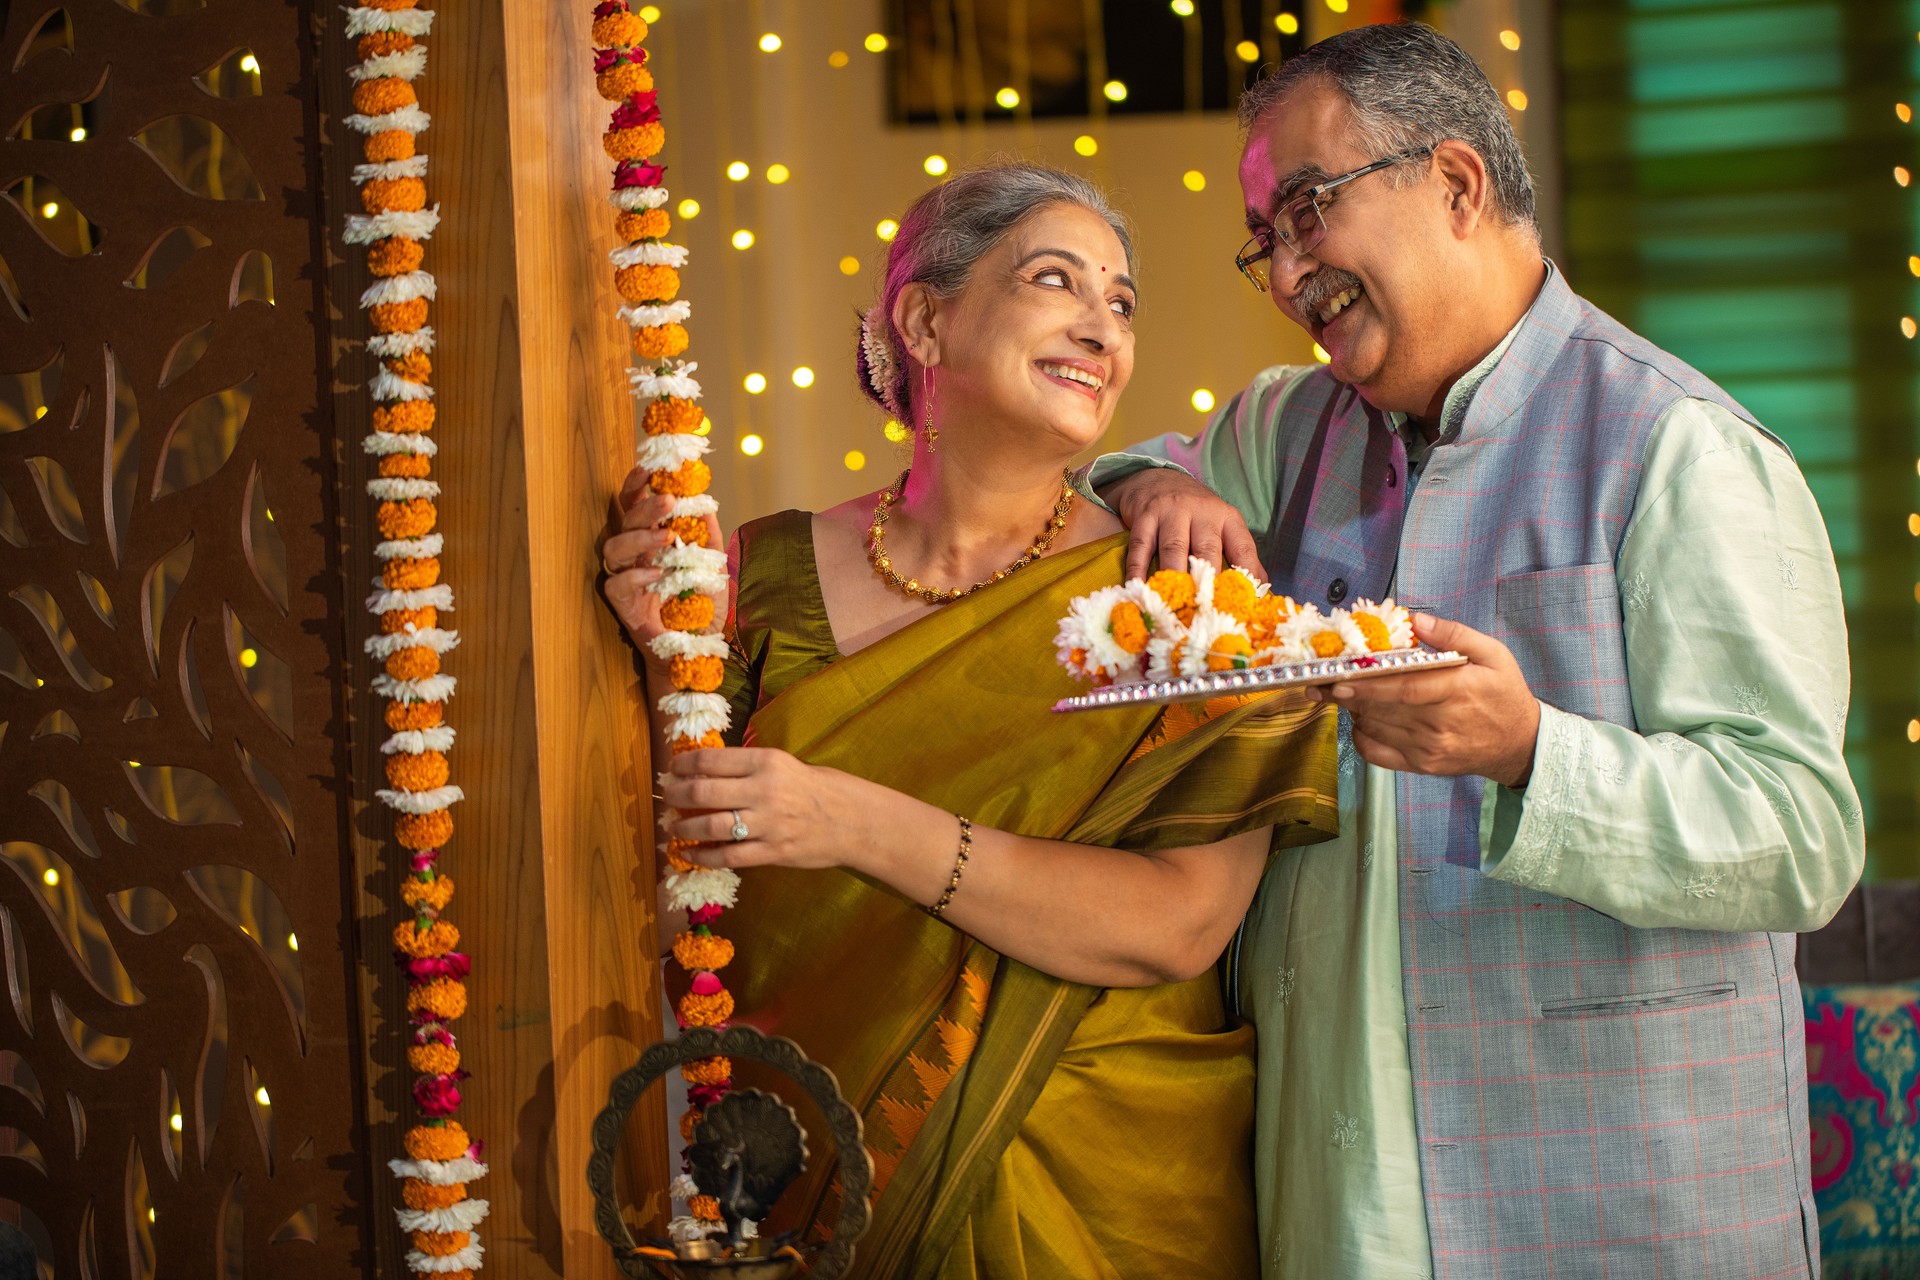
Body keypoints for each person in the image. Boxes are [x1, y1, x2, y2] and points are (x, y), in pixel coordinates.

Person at [1084, 23, 1864, 1280]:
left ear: (1456, 183)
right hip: (1331, 1187)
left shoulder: (1679, 447)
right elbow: (1064, 511)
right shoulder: (1285, 433)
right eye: (1263, 243)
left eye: (1306, 213)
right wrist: (1136, 484)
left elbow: (1801, 832)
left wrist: (1533, 753)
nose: (1286, 276)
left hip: (1606, 1190)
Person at [602, 163, 1338, 1278]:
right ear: (924, 319)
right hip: (821, 1167)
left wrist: (857, 821)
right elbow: (686, 885)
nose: (1102, 325)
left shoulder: (1185, 600)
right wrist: (663, 662)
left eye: (1123, 302)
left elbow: (1179, 924)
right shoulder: (760, 573)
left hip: (1106, 1189)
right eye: (1058, 281)